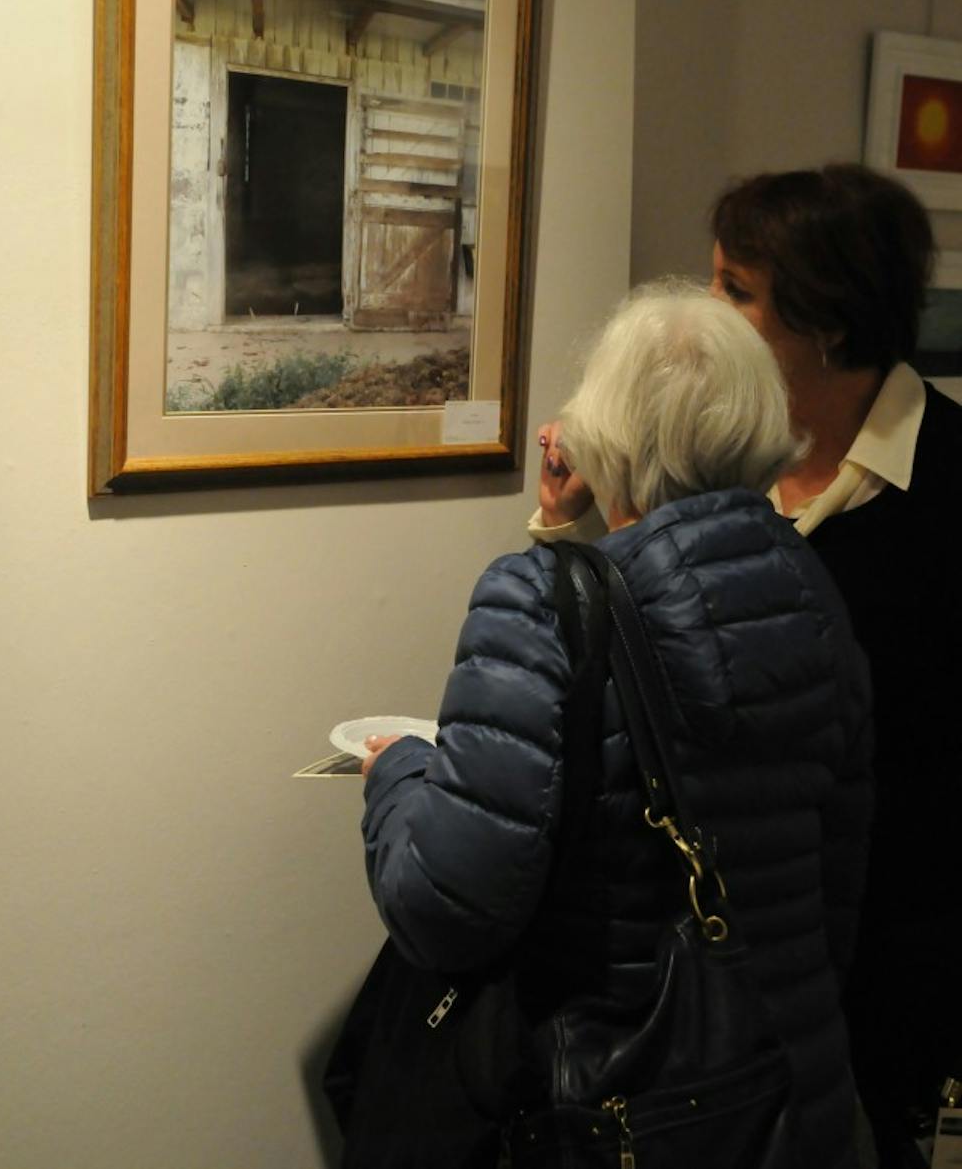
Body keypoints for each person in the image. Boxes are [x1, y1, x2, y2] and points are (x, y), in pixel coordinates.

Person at [361, 282, 872, 1169]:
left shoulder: (534, 602)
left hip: (618, 1118)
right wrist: (571, 533)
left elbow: (447, 908)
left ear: (609, 431)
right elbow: (839, 878)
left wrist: (398, 774)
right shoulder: (811, 589)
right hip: (789, 1101)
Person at [537, 165, 962, 1167]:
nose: (706, 311)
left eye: (734, 288)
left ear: (824, 319)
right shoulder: (723, 460)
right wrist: (575, 527)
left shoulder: (948, 484)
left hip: (895, 963)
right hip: (715, 979)